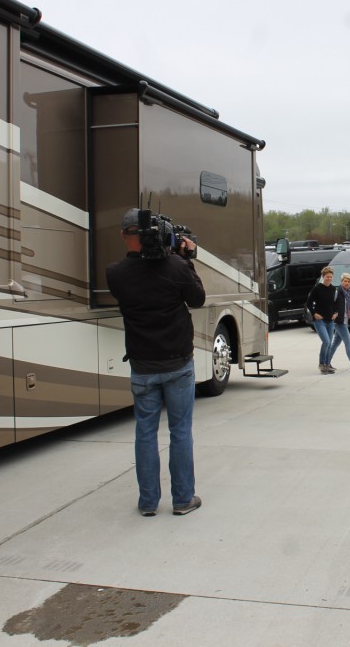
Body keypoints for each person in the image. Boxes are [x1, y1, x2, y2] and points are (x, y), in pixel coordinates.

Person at [106, 208, 206, 517]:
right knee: (180, 432)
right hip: (177, 363)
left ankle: (148, 502)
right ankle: (183, 499)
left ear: (124, 236)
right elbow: (198, 299)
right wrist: (186, 258)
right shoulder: (177, 266)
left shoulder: (115, 274)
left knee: (145, 433)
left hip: (142, 365)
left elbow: (141, 278)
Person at [305, 266, 342, 374]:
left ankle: (327, 364)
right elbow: (308, 303)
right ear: (323, 277)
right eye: (327, 277)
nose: (329, 278)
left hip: (330, 320)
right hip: (319, 320)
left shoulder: (333, 289)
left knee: (329, 343)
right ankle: (322, 364)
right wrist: (314, 314)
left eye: (331, 277)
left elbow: (335, 303)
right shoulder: (317, 288)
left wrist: (336, 313)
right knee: (326, 341)